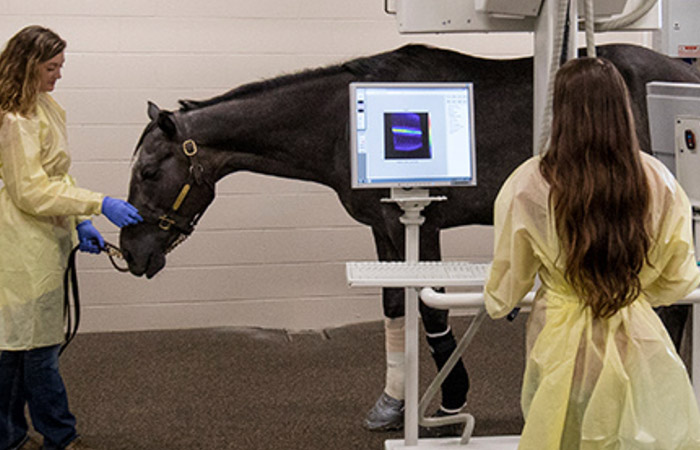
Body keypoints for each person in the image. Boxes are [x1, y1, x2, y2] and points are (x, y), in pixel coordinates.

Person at [484, 57, 700, 449]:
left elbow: (507, 285)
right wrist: (629, 292)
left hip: (561, 343)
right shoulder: (660, 182)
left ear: (560, 112)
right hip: (635, 340)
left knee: (562, 434)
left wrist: (502, 300)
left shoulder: (528, 183)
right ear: (623, 109)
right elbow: (677, 279)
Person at [0, 26, 143, 450]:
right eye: (51, 66)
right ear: (28, 65)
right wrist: (98, 203)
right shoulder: (15, 119)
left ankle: (12, 435)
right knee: (30, 350)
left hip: (44, 235)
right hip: (20, 241)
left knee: (21, 348)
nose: (58, 74)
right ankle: (59, 436)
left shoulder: (44, 107)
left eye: (60, 66)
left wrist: (79, 221)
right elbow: (30, 191)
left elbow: (56, 174)